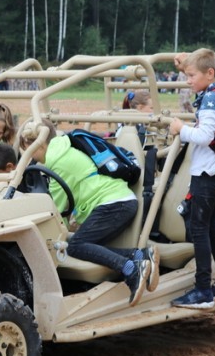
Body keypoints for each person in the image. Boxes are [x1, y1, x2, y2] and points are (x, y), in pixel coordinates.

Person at [19, 120, 159, 306]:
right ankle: (140, 256)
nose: (29, 156)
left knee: (76, 246)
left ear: (40, 144)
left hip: (114, 204)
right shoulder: (62, 149)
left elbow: (57, 213)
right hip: (118, 201)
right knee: (82, 243)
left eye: (29, 149)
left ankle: (132, 270)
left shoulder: (56, 162)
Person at [169, 49, 215, 309]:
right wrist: (185, 65)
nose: (188, 80)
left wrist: (181, 129)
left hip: (205, 172)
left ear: (210, 73)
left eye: (191, 76)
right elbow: (201, 69)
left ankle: (202, 290)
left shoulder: (210, 100)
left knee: (199, 229)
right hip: (214, 170)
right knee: (211, 227)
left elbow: (205, 136)